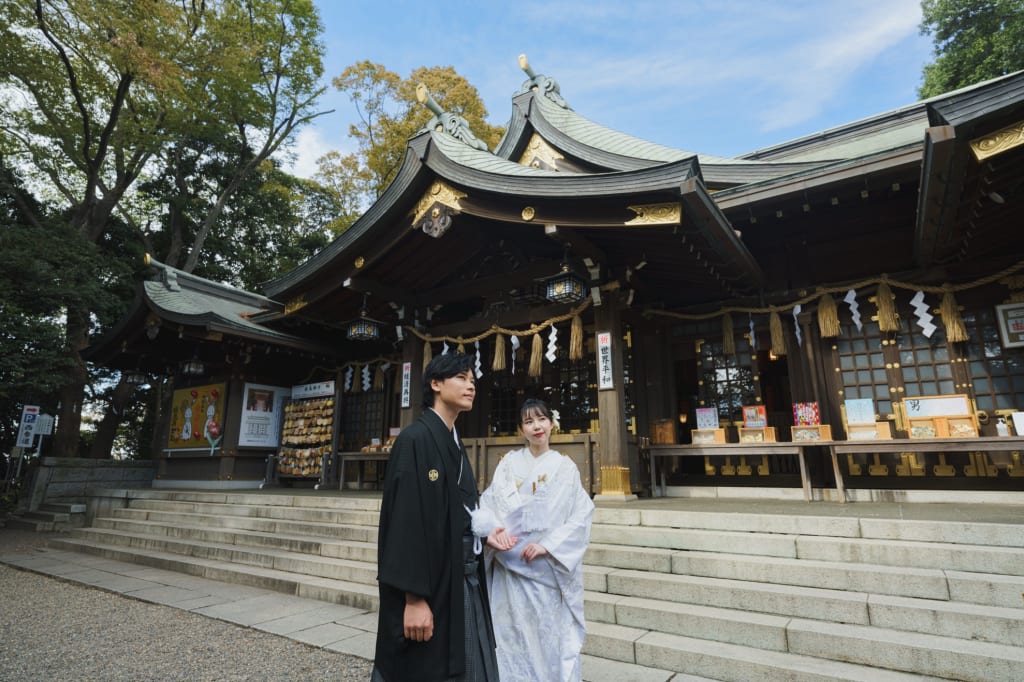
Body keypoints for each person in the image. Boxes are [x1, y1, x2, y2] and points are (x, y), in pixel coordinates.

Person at [372, 352, 514, 682]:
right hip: (430, 584)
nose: (470, 386)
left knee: (467, 661)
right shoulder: (415, 440)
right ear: (436, 384)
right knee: (427, 667)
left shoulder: (452, 439)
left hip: (460, 576)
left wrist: (483, 531)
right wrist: (414, 598)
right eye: (461, 378)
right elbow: (405, 523)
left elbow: (459, 508)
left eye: (473, 381)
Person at [473, 399, 595, 682]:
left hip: (544, 569)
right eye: (528, 422)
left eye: (541, 419)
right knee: (510, 634)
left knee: (546, 636)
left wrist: (548, 545)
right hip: (509, 569)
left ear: (552, 423)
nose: (536, 426)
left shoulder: (566, 468)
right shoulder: (508, 464)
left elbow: (580, 517)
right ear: (521, 429)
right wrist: (494, 531)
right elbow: (489, 503)